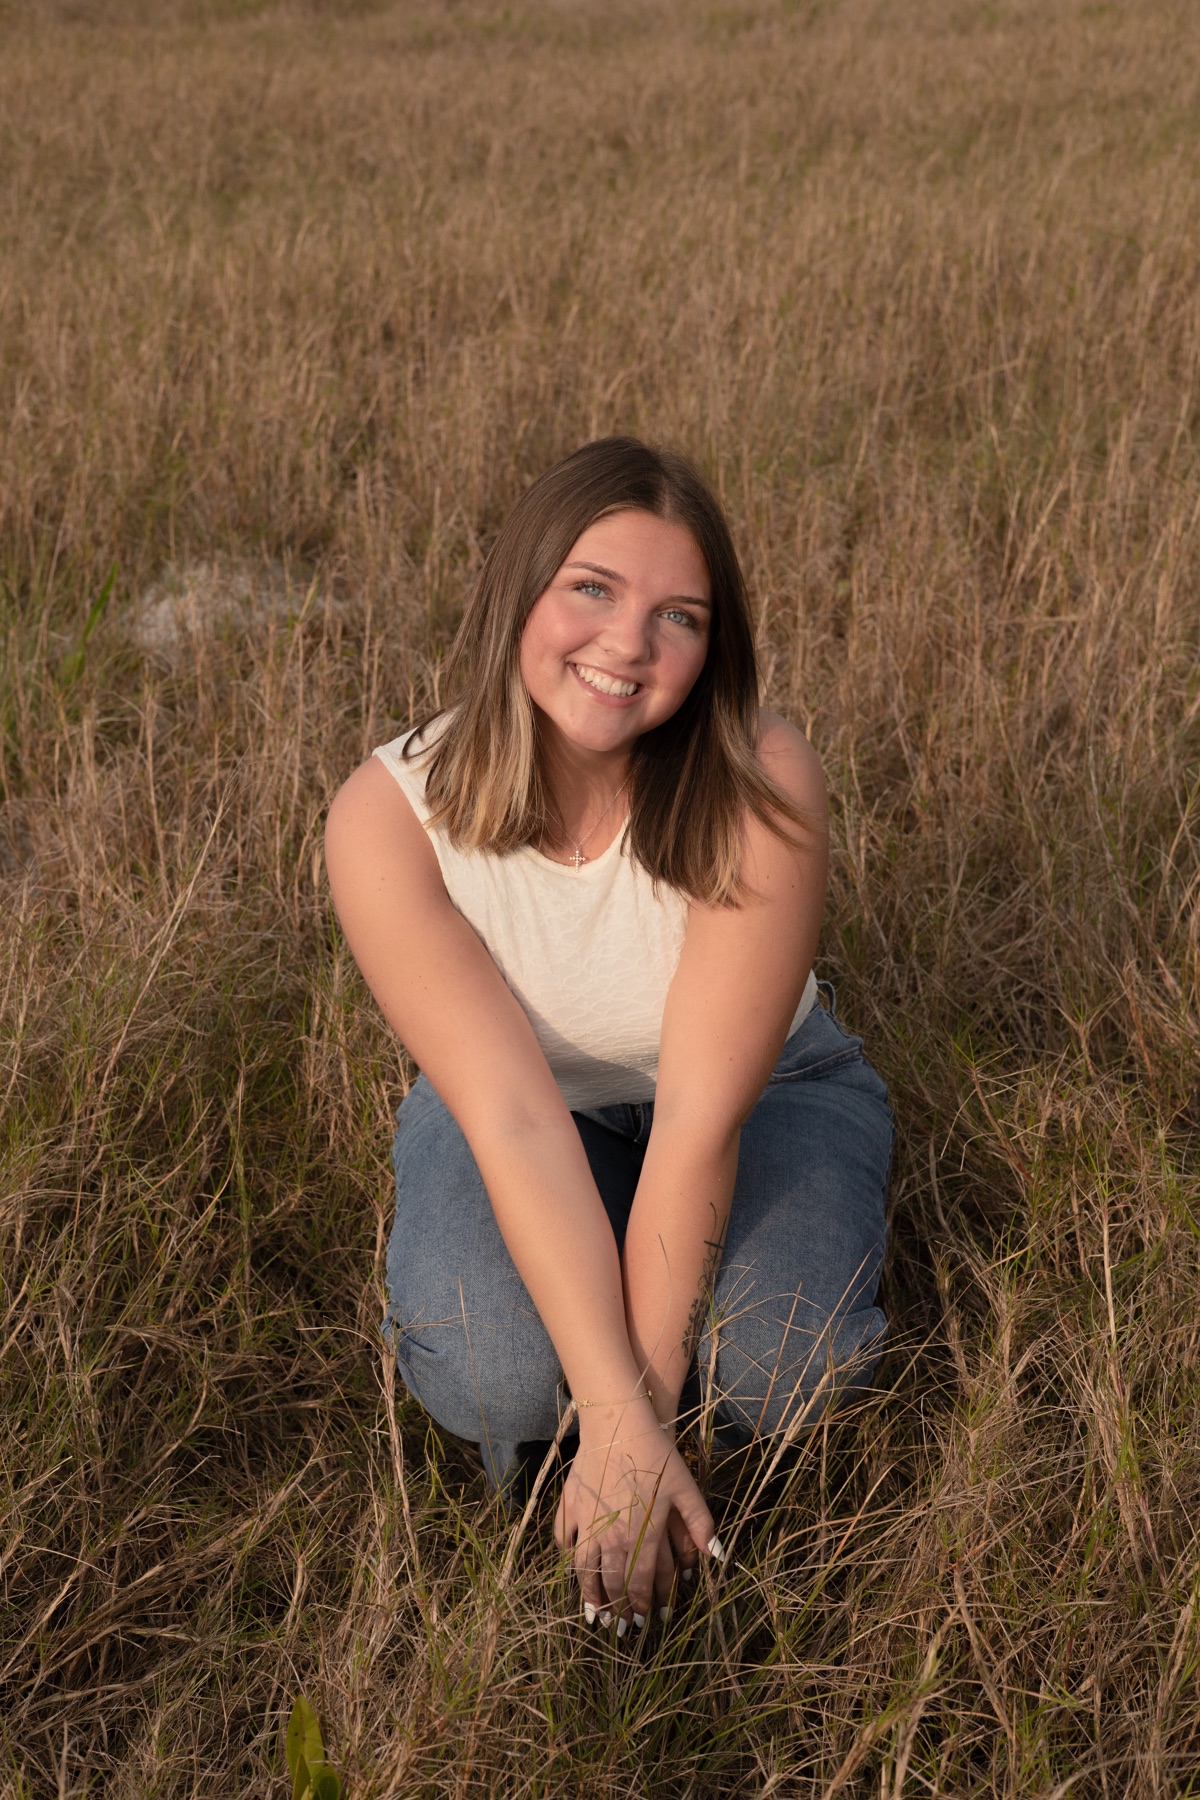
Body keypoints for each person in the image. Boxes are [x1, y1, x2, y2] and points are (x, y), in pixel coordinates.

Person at [323, 437, 893, 1634]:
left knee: (783, 1364)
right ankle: (579, 1443)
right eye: (593, 589)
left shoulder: (757, 778)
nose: (629, 645)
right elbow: (514, 1120)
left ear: (713, 646)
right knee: (497, 1374)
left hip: (760, 1096)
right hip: (524, 1113)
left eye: (679, 617)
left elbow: (698, 1120)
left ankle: (665, 1462)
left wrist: (636, 1416)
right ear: (520, 588)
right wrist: (619, 1410)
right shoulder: (389, 815)